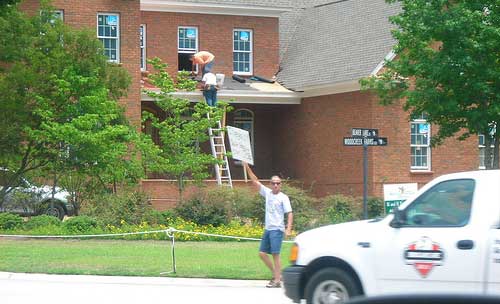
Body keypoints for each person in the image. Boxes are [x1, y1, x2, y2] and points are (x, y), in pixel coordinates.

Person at [243, 162, 293, 288]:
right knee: (262, 253)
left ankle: (277, 281)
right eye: (273, 183)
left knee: (276, 255)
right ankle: (277, 275)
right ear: (270, 184)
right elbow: (255, 180)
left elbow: (290, 213)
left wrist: (288, 229)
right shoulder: (267, 193)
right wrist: (246, 166)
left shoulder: (284, 198)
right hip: (268, 229)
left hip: (277, 229)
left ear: (280, 185)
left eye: (278, 183)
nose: (275, 185)